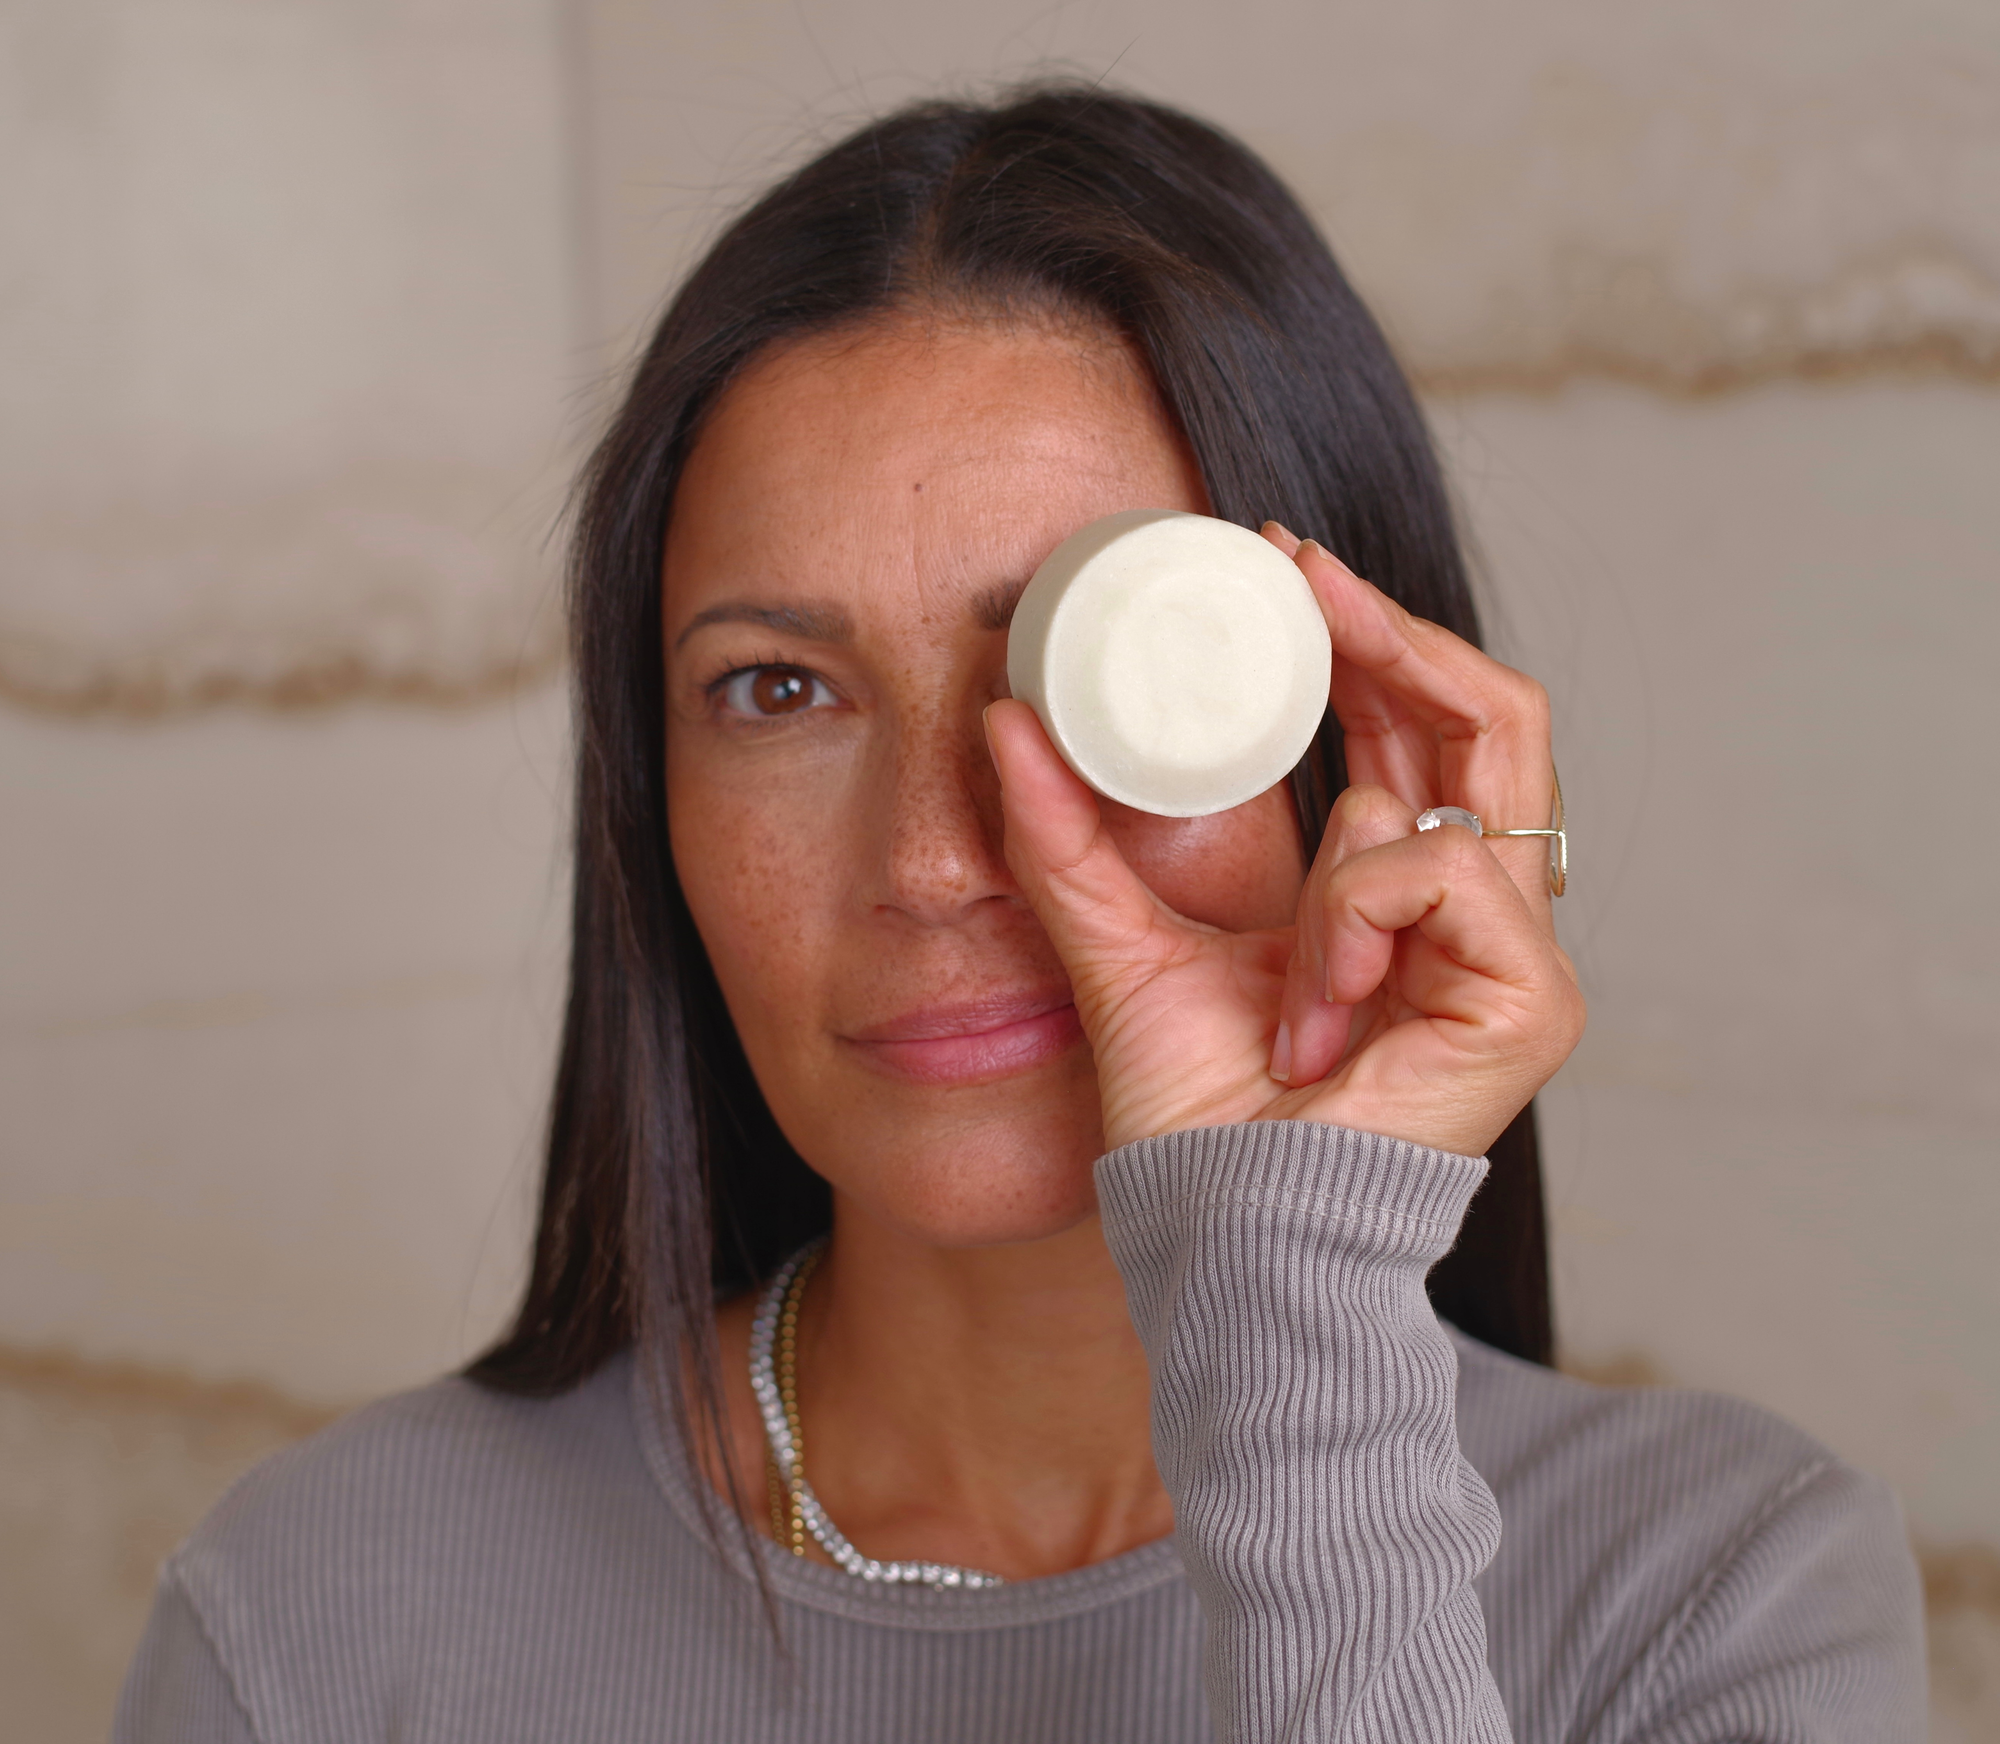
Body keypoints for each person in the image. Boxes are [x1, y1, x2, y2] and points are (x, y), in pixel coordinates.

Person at [114, 86, 1926, 1742]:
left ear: (1358, 733)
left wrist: (1289, 1290)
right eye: (776, 691)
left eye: (1093, 673)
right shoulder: (316, 1620)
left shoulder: (1714, 1599)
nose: (932, 859)